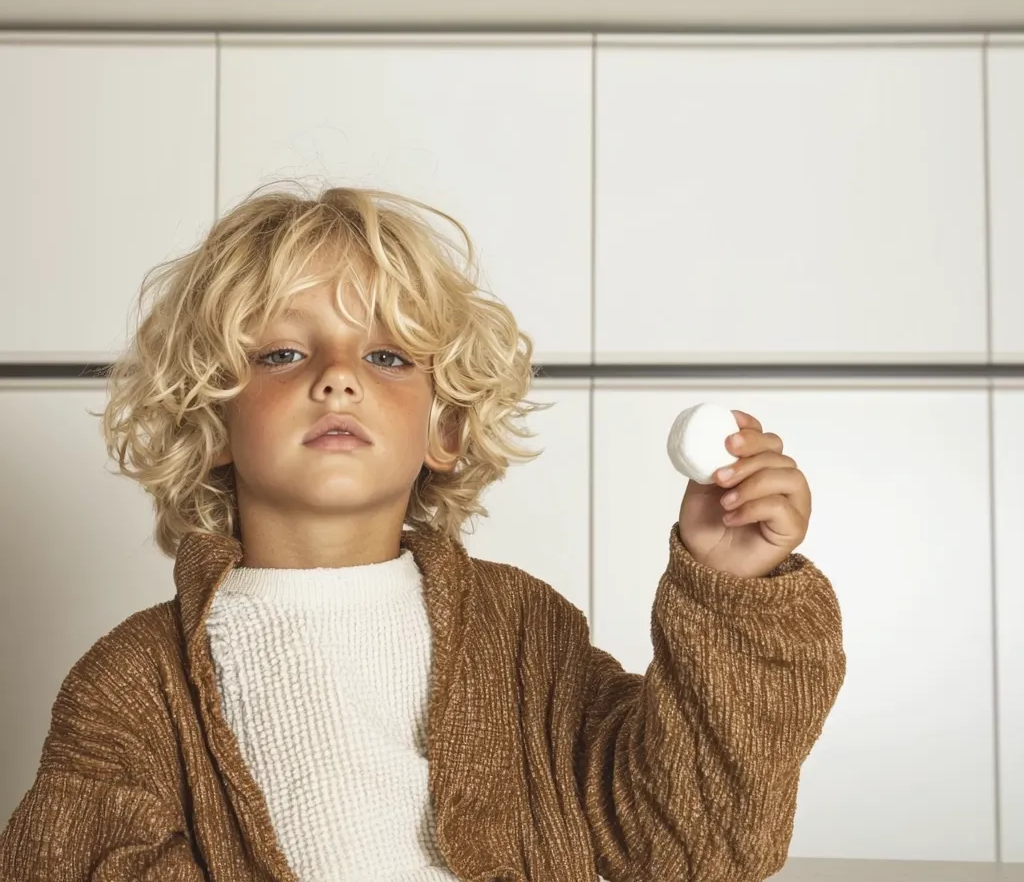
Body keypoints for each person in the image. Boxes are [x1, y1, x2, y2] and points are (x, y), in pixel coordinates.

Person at [0, 184, 846, 882]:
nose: (337, 379)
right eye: (284, 356)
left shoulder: (525, 635)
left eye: (388, 358)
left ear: (443, 431)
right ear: (213, 418)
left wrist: (731, 591)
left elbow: (694, 842)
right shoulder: (131, 685)